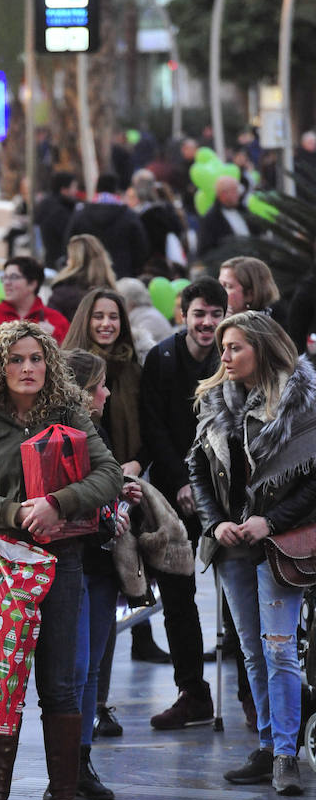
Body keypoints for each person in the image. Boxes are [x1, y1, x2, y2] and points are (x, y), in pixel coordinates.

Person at [0, 320, 122, 800]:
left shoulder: (69, 413)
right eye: (16, 359)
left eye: (35, 358)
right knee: (0, 690)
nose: (27, 368)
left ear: (48, 363)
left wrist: (58, 503)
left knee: (60, 688)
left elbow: (109, 475)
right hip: (1, 565)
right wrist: (10, 511)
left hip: (61, 564)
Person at [188, 312, 316, 795]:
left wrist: (272, 520)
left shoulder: (303, 402)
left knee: (280, 649)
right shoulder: (213, 400)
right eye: (223, 347)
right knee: (252, 652)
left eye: (236, 347)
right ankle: (268, 746)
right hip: (233, 544)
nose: (225, 356)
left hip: (282, 544)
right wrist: (214, 522)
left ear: (262, 348)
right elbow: (197, 468)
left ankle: (287, 755)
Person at [141, 278, 240, 730]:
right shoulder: (161, 359)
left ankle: (248, 692)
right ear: (184, 314)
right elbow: (153, 426)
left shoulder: (236, 356)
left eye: (215, 314)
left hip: (227, 492)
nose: (207, 323)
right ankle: (192, 692)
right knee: (177, 594)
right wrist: (181, 481)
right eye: (199, 313)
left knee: (238, 590)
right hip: (171, 493)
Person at [63, 288, 169, 668]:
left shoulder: (134, 367)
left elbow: (151, 425)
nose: (106, 324)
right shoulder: (66, 368)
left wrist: (136, 465)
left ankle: (138, 640)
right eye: (98, 316)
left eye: (114, 316)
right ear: (84, 320)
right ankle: (95, 702)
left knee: (124, 578)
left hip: (127, 483)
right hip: (84, 495)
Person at [62, 349, 142, 800]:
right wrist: (105, 513)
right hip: (75, 564)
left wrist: (120, 497)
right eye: (100, 386)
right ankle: (64, 768)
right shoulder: (63, 435)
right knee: (72, 672)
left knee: (90, 668)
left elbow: (103, 486)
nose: (107, 392)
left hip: (102, 566)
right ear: (80, 391)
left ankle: (80, 762)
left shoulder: (98, 431)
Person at [0, 256, 70, 380]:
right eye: (5, 278)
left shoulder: (55, 320)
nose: (6, 283)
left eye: (13, 277)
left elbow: (70, 360)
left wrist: (55, 338)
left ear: (32, 284)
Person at [66, 173, 150, 278]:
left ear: (96, 189)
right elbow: (141, 249)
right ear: (116, 190)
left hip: (87, 276)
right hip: (122, 275)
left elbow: (70, 244)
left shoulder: (80, 215)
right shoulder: (129, 216)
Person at [47, 233, 118, 323]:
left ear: (74, 261)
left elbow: (52, 325)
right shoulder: (112, 292)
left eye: (69, 257)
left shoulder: (62, 293)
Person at [219, 256, 285, 326]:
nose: (218, 291)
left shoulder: (257, 328)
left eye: (228, 286)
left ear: (250, 295)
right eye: (219, 284)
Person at [197, 176, 251, 258]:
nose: (238, 194)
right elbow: (206, 251)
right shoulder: (211, 219)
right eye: (234, 191)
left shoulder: (244, 211)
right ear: (223, 194)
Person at [34, 171, 79, 269]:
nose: (76, 191)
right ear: (64, 190)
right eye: (74, 187)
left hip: (50, 260)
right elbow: (68, 236)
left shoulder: (47, 205)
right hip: (59, 262)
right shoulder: (59, 211)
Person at [116, 277, 173, 345]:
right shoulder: (145, 313)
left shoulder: (148, 318)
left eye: (119, 300)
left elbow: (138, 345)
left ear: (129, 301)